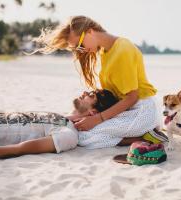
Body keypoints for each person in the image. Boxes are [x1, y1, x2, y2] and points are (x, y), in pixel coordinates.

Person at [33, 15, 161, 149]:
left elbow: (132, 97)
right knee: (83, 128)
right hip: (129, 111)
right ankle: (142, 136)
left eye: (80, 45)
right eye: (77, 49)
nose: (80, 51)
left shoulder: (123, 50)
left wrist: (98, 119)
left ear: (90, 31)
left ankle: (146, 136)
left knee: (84, 137)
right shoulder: (105, 52)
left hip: (143, 112)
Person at [0, 88, 119, 163]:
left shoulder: (68, 135)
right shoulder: (63, 118)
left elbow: (19, 149)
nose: (84, 92)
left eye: (90, 95)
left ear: (93, 113)